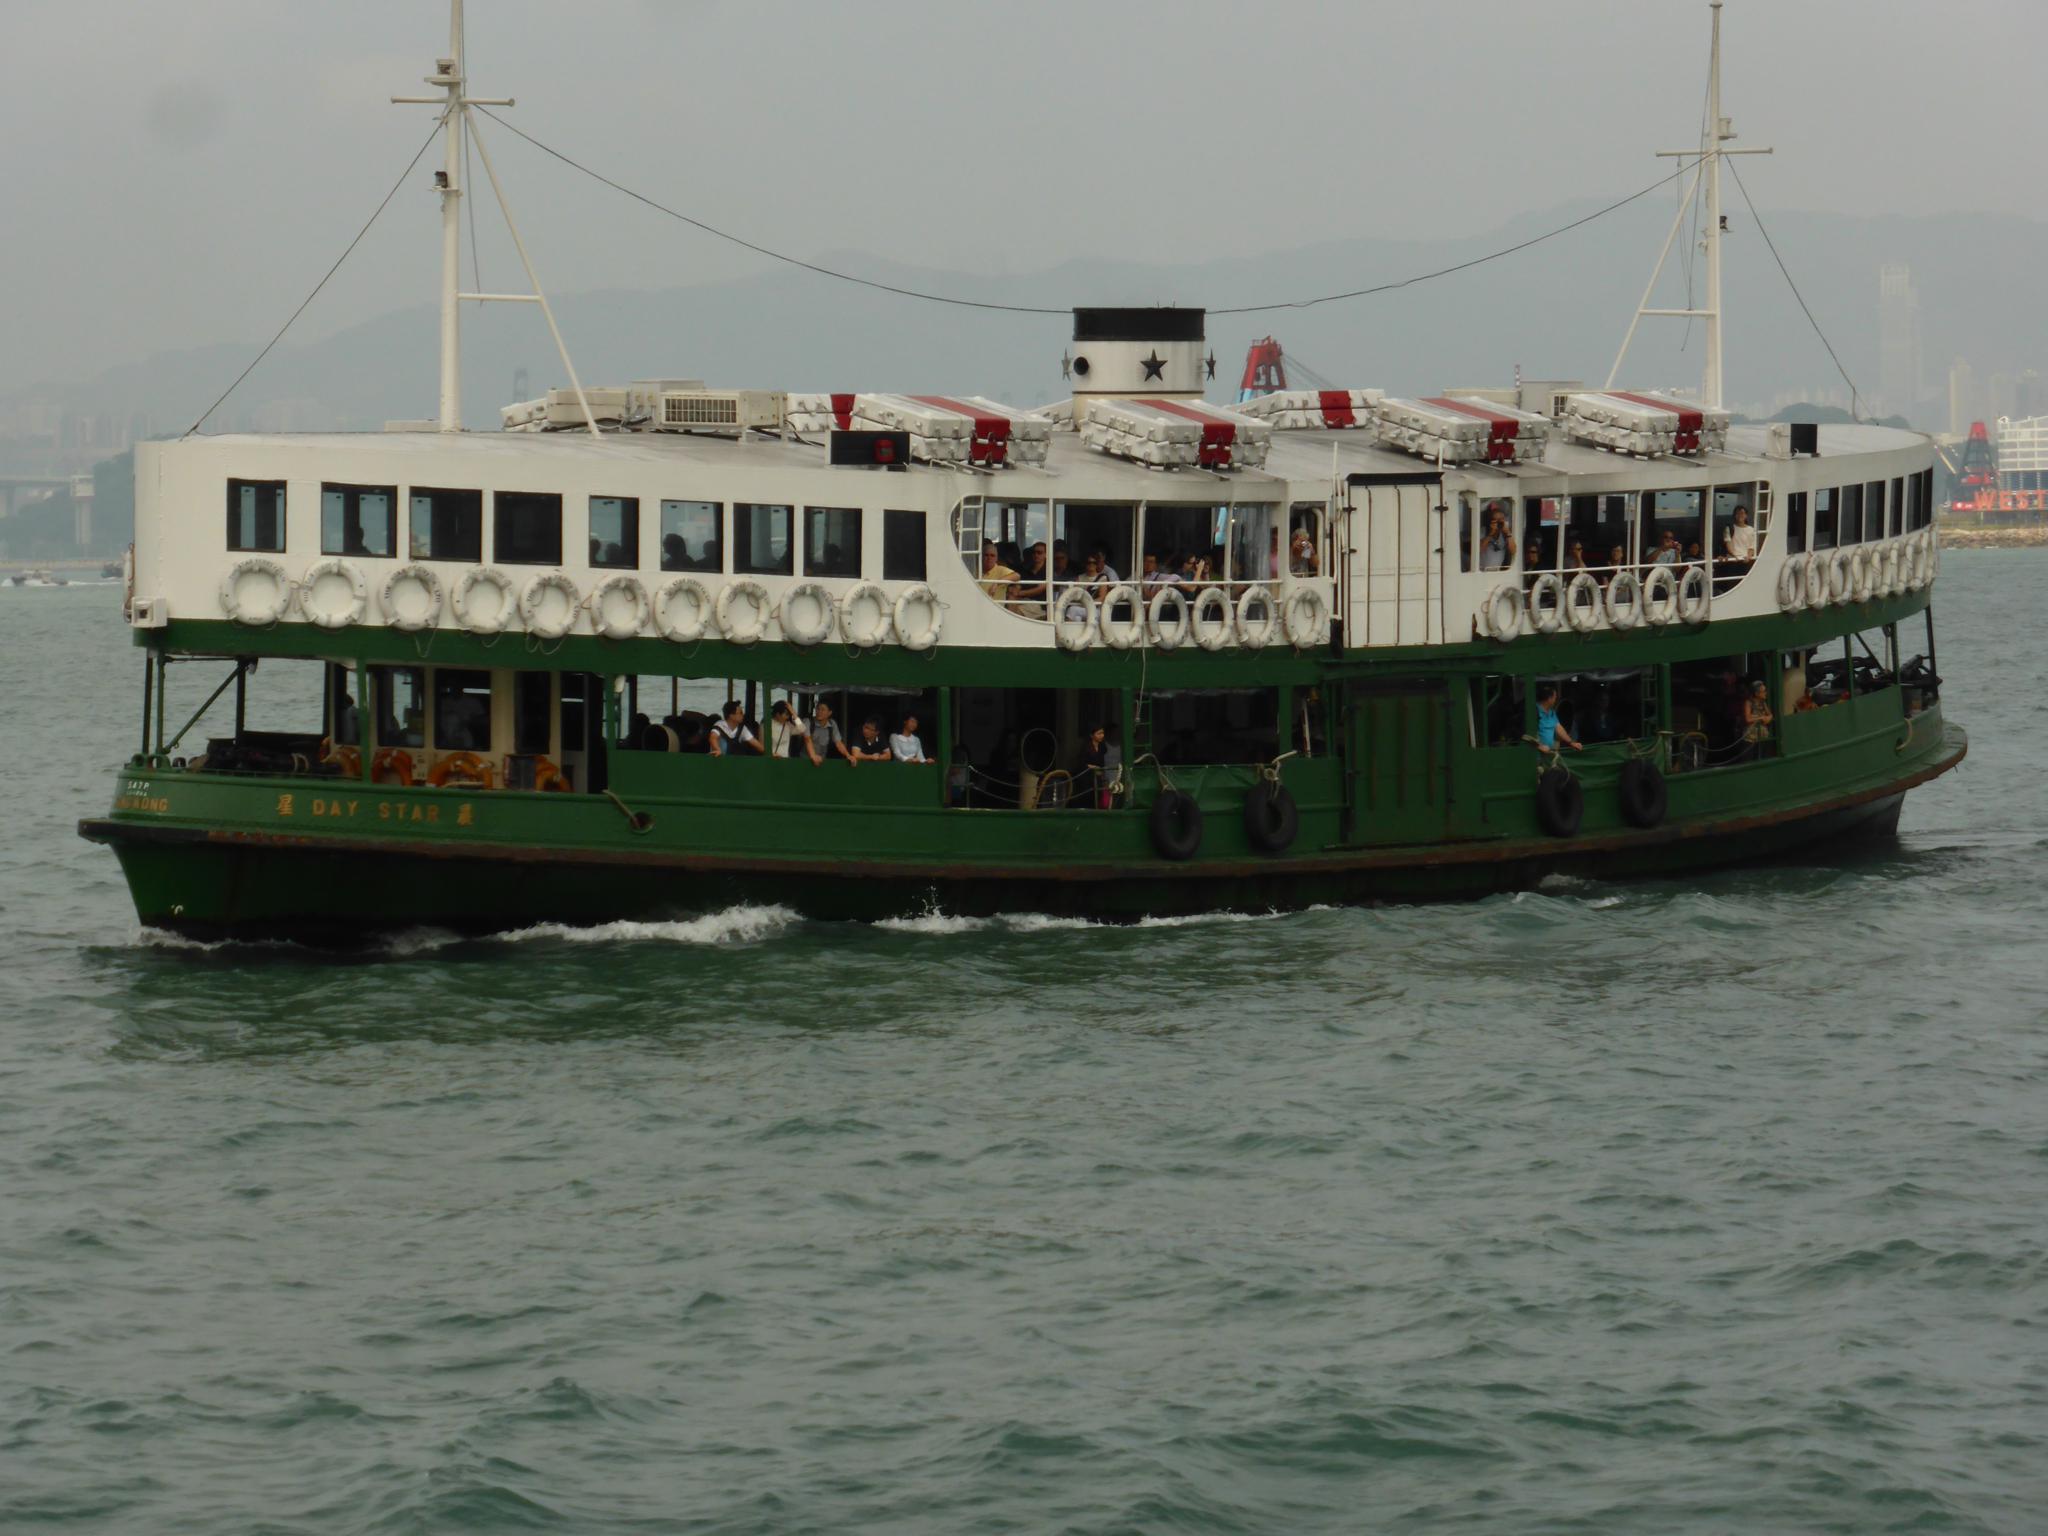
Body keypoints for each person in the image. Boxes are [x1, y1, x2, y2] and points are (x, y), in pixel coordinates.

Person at [1534, 684, 1582, 754]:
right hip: (1535, 755)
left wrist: (1571, 742)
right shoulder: (1534, 711)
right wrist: (1539, 746)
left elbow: (1558, 728)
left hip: (1548, 754)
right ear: (1549, 699)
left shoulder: (1551, 712)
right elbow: (1527, 735)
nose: (1556, 699)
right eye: (1555, 697)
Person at [769, 700, 820, 764]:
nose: (788, 717)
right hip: (772, 760)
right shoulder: (768, 724)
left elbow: (802, 729)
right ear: (778, 714)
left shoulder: (787, 725)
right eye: (786, 714)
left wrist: (793, 713)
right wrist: (771, 754)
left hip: (785, 761)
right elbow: (763, 746)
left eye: (789, 715)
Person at [808, 699, 854, 764]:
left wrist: (848, 755)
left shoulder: (832, 724)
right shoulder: (808, 722)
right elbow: (807, 740)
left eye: (822, 710)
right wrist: (813, 756)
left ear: (829, 713)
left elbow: (838, 743)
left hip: (822, 761)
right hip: (805, 760)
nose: (819, 712)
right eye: (818, 709)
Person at [1478, 504, 1516, 571]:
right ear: (1491, 521)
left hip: (1497, 572)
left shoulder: (1506, 533)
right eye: (1497, 520)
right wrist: (1491, 534)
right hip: (1482, 571)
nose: (1500, 522)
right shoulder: (1483, 531)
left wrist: (1508, 533)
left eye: (1502, 519)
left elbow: (1513, 551)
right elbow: (1480, 550)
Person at [1742, 680, 1774, 752]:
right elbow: (1747, 719)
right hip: (1750, 738)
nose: (1766, 693)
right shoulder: (1748, 703)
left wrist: (1768, 718)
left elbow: (1770, 714)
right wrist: (1761, 718)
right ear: (1756, 693)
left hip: (1762, 737)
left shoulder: (1763, 703)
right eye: (1764, 691)